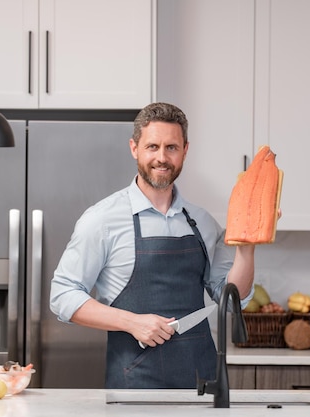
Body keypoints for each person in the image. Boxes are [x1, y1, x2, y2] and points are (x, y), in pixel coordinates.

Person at [49, 102, 256, 389]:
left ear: (185, 150)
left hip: (202, 385)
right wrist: (131, 322)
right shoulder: (102, 219)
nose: (162, 157)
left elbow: (233, 299)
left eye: (171, 147)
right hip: (135, 387)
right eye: (152, 147)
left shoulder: (203, 222)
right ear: (134, 148)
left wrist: (248, 246)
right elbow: (62, 296)